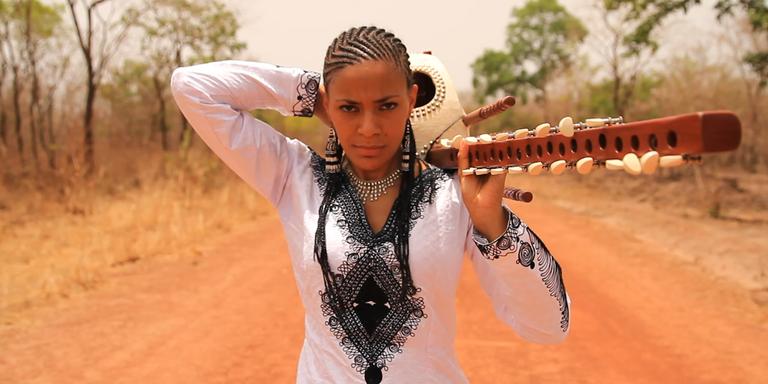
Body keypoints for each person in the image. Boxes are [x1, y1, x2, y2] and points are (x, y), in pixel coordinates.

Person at [171, 25, 570, 384]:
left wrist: (494, 226)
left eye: (386, 105)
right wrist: (311, 92)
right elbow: (192, 86)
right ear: (328, 106)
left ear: (412, 99)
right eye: (349, 108)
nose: (368, 128)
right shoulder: (293, 177)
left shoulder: (455, 196)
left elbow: (551, 326)